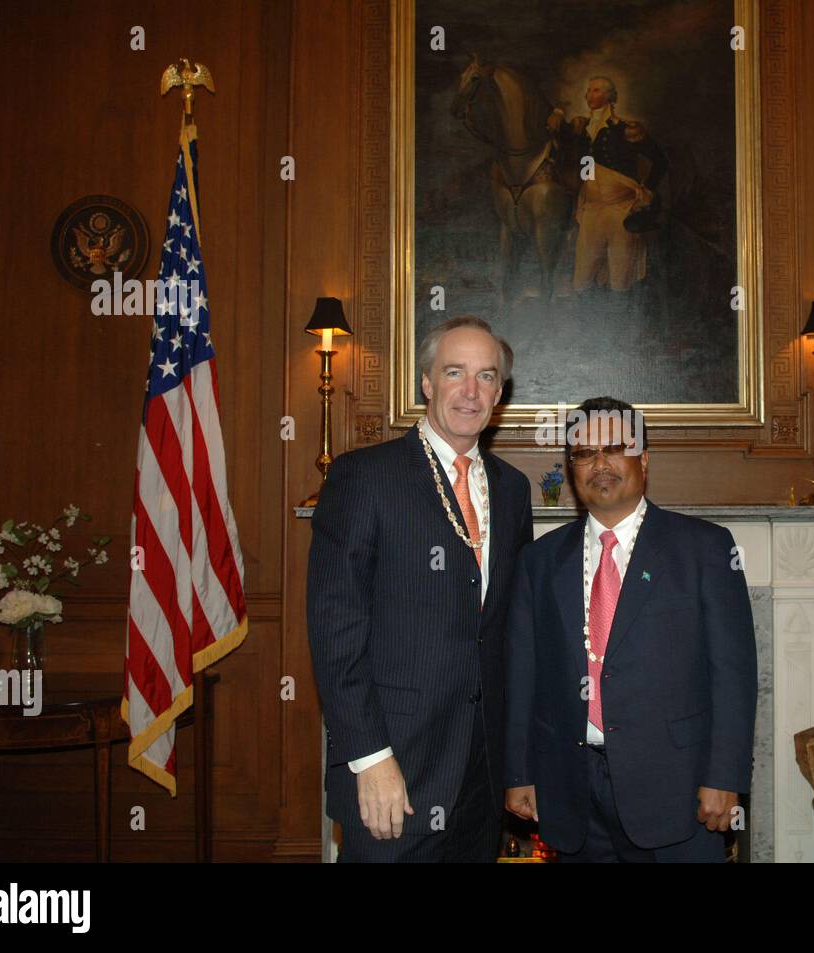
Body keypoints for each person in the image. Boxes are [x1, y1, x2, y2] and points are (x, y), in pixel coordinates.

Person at [307, 315, 533, 862]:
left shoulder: (512, 489)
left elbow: (508, 635)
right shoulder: (366, 476)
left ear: (499, 393)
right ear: (427, 383)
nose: (470, 390)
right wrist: (369, 758)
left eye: (485, 377)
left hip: (480, 778)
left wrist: (517, 765)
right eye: (454, 372)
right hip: (394, 771)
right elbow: (335, 631)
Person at [504, 396, 756, 861]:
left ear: (644, 458)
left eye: (615, 448)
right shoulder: (539, 561)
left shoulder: (705, 548)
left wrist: (725, 777)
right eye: (583, 453)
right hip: (571, 793)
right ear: (571, 466)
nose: (599, 464)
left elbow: (733, 675)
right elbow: (523, 676)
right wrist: (519, 772)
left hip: (679, 793)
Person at [548, 76, 668, 292]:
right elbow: (583, 167)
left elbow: (660, 161)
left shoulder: (626, 129)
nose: (588, 95)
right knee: (583, 279)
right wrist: (557, 112)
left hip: (621, 209)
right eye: (588, 91)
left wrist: (646, 192)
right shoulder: (582, 130)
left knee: (620, 279)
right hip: (592, 209)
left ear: (610, 96)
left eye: (595, 90)